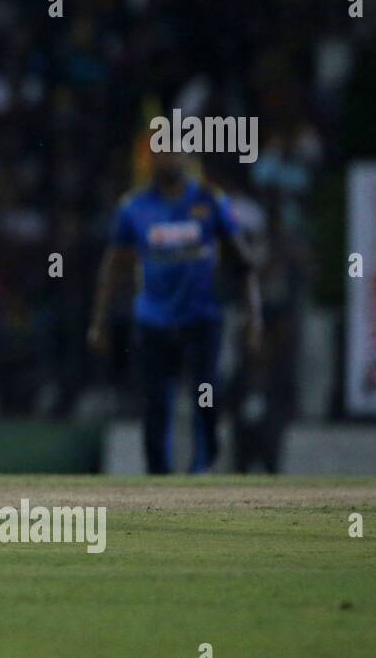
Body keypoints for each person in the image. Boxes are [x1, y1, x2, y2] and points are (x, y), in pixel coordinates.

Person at [88, 150, 262, 474]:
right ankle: (158, 476)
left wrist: (254, 317)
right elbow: (113, 265)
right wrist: (99, 320)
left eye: (172, 151)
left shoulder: (210, 201)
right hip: (153, 319)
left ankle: (203, 463)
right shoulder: (134, 207)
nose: (165, 159)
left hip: (202, 317)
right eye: (158, 153)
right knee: (155, 402)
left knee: (205, 395)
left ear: (187, 156)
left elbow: (243, 262)